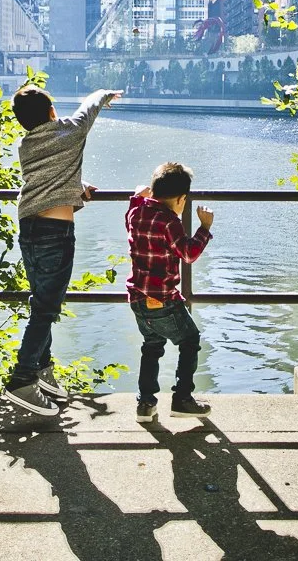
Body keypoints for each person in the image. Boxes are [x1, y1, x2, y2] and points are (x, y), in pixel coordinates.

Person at [3, 84, 121, 415]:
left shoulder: (25, 145)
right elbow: (89, 108)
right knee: (46, 309)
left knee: (40, 303)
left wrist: (77, 189)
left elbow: (48, 180)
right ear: (53, 112)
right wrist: (104, 93)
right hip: (56, 232)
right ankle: (22, 379)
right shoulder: (69, 131)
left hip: (28, 226)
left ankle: (44, 372)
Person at [125, 161, 214, 422]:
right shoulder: (169, 221)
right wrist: (204, 227)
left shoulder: (137, 213)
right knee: (190, 340)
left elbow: (129, 216)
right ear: (181, 199)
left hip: (137, 298)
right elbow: (188, 254)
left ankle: (146, 403)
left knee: (151, 345)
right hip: (162, 299)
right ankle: (182, 399)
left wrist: (135, 197)